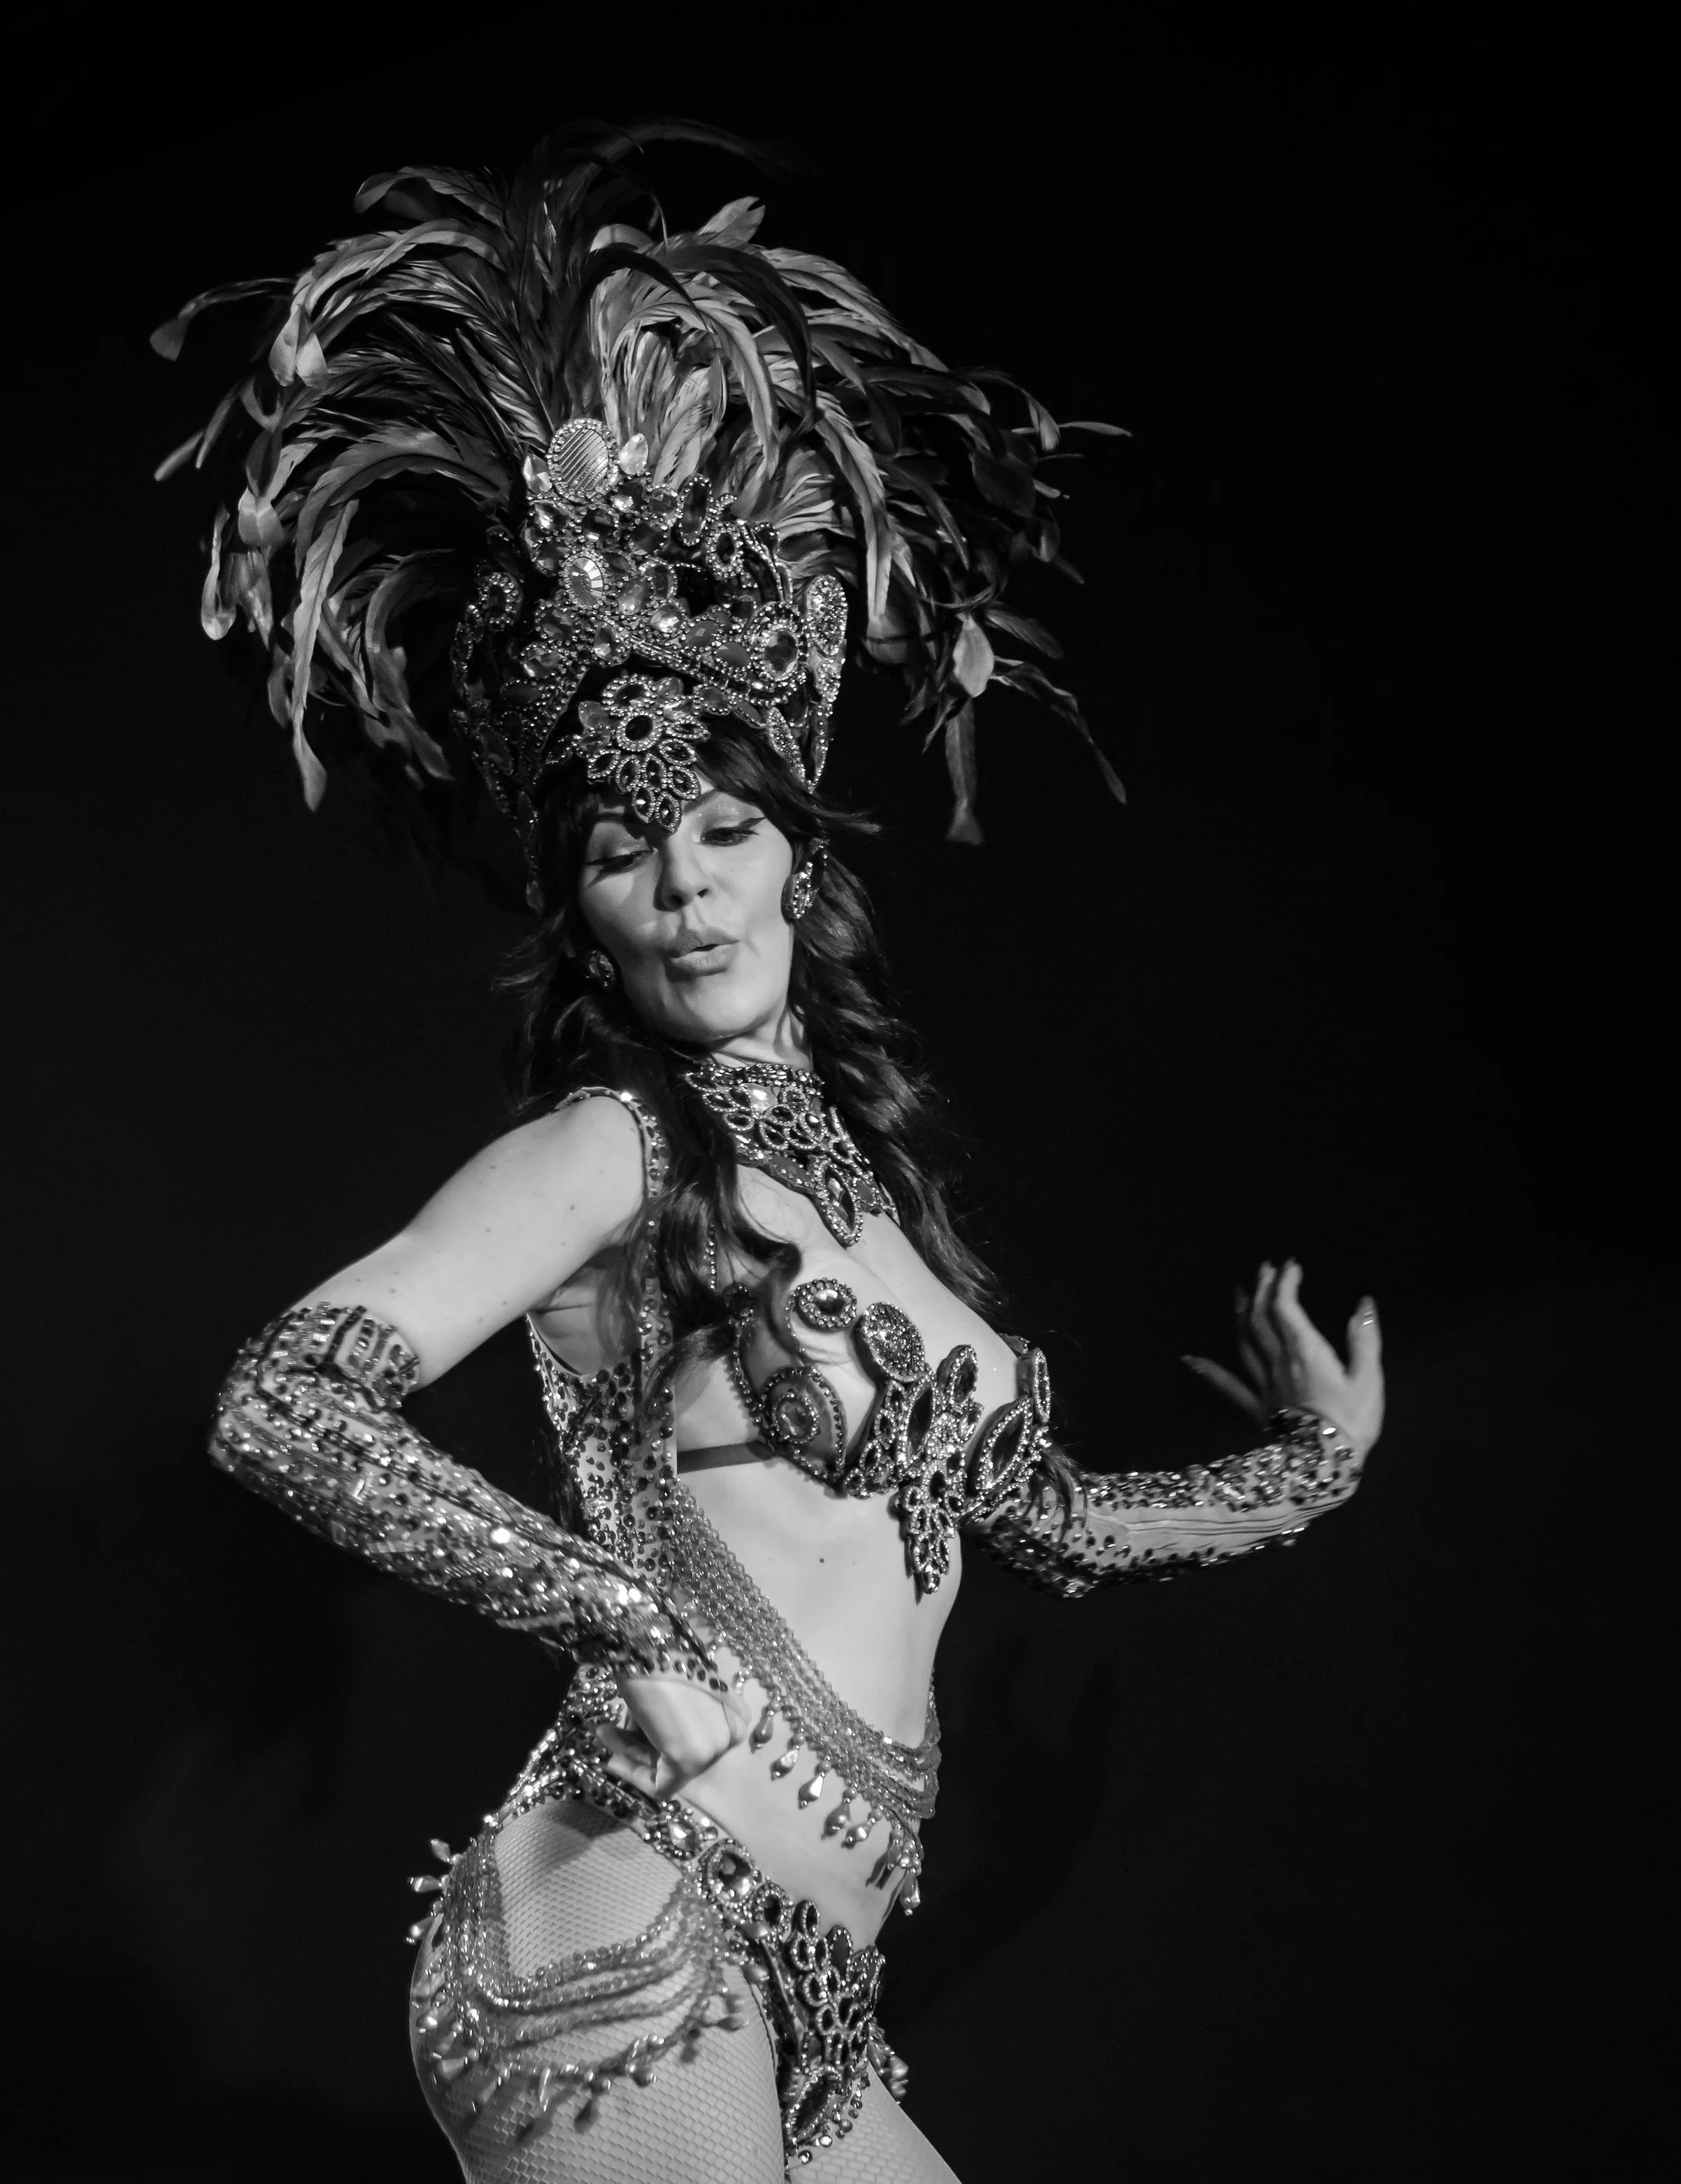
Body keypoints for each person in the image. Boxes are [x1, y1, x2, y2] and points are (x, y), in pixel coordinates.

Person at [162, 125, 1385, 2184]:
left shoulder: (883, 1212)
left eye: (724, 831)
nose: (685, 885)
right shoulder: (603, 1151)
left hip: (811, 1992)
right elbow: (282, 1401)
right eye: (626, 852)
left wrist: (1309, 1470)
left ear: (799, 863)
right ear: (588, 915)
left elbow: (1050, 1516)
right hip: (622, 1925)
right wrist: (614, 1621)